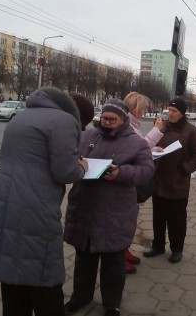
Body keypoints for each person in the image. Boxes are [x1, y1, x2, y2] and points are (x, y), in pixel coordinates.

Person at [0, 87, 90, 316]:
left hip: (2, 199)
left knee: (12, 270)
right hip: (34, 204)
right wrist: (81, 166)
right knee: (44, 271)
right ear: (77, 117)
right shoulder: (64, 120)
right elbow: (65, 172)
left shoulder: (21, 116)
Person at [63, 98, 155, 316]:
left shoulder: (136, 142)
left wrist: (120, 173)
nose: (107, 122)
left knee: (113, 262)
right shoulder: (88, 135)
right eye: (104, 118)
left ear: (123, 119)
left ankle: (111, 304)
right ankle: (80, 297)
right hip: (85, 205)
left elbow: (147, 170)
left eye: (112, 119)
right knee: (84, 258)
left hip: (115, 211)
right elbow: (71, 156)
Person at [143, 98, 196, 263]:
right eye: (169, 110)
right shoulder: (161, 128)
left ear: (182, 113)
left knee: (176, 219)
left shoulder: (193, 132)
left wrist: (184, 169)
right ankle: (158, 246)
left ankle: (177, 249)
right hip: (158, 180)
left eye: (174, 111)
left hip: (178, 183)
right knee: (158, 217)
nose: (170, 114)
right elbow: (148, 146)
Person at [122, 92, 164, 274]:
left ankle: (124, 250)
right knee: (124, 221)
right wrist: (156, 130)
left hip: (133, 179)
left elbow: (140, 146)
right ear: (135, 108)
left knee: (130, 219)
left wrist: (154, 148)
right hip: (127, 181)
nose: (144, 112)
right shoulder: (127, 125)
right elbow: (136, 147)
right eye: (143, 109)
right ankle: (118, 257)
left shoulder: (133, 124)